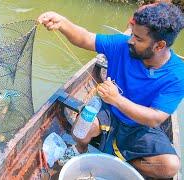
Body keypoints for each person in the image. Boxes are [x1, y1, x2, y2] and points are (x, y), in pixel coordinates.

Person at [38, 2, 184, 179]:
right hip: (109, 111)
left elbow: (155, 118)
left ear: (159, 46)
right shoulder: (123, 45)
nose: (130, 40)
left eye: (138, 38)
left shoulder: (177, 74)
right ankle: (80, 149)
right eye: (132, 34)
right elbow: (85, 38)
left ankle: (123, 161)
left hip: (141, 126)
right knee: (79, 130)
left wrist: (117, 99)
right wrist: (62, 23)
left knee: (169, 166)